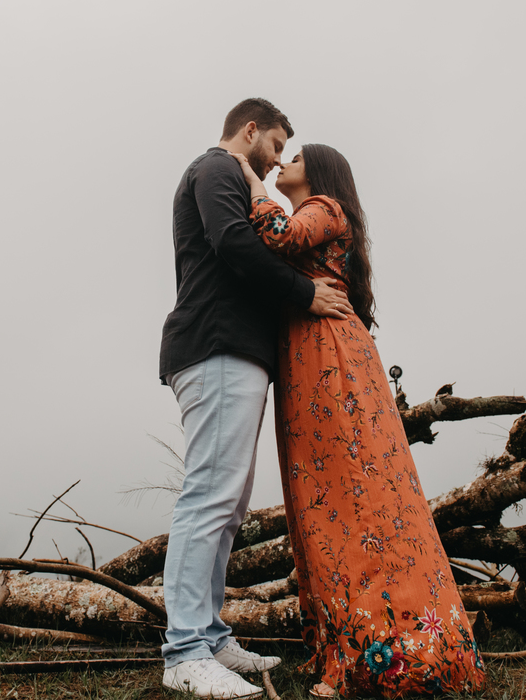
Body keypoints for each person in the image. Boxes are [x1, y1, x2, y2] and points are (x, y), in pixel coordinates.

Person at [231, 144, 487, 698]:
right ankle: (346, 646)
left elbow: (279, 237)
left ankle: (388, 655)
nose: (284, 163)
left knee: (356, 493)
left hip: (331, 360)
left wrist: (254, 183)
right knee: (321, 496)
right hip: (308, 362)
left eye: (294, 156)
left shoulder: (326, 206)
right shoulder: (315, 210)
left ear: (320, 172)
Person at [158, 100, 354, 699]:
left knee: (230, 502)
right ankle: (185, 651)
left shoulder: (228, 171)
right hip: (215, 344)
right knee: (210, 494)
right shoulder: (216, 167)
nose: (274, 163)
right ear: (251, 131)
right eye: (274, 145)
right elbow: (235, 246)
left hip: (235, 351)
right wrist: (304, 293)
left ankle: (212, 637)